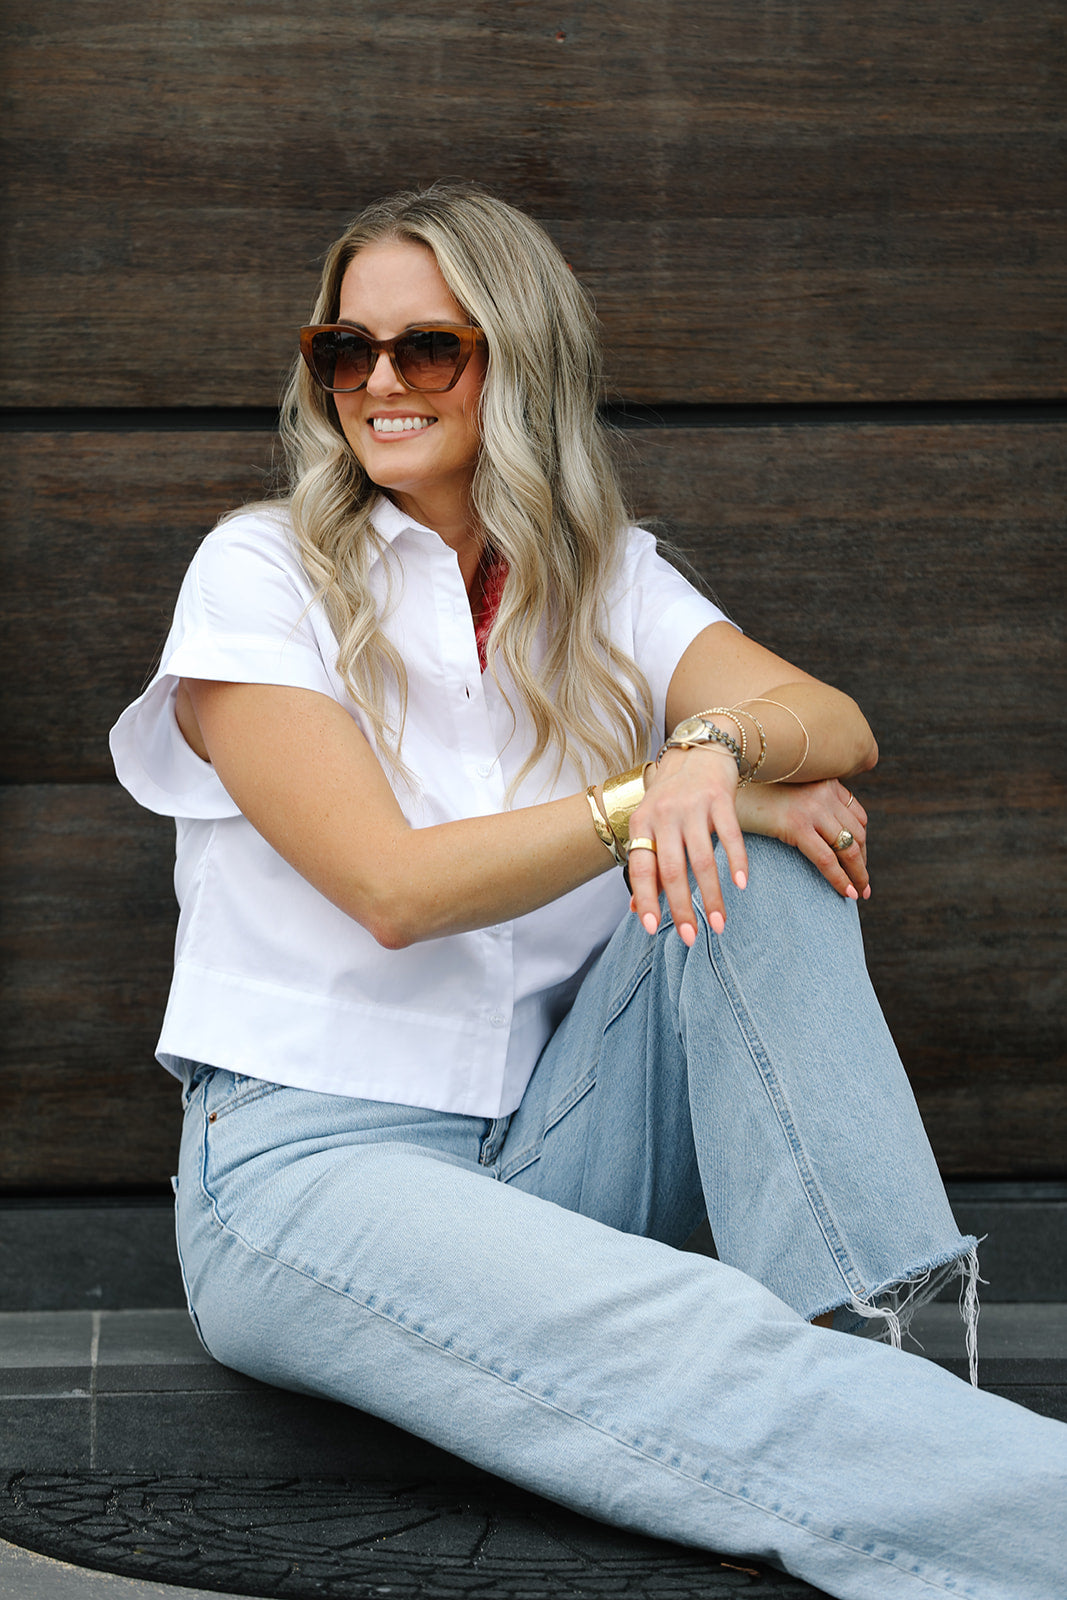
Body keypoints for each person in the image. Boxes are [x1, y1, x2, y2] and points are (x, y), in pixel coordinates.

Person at [110, 183, 1064, 1600]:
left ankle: (868, 1340)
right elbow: (391, 889)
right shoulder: (262, 571)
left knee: (764, 857)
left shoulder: (600, 577)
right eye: (345, 349)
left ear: (521, 359)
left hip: (563, 1130)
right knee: (704, 1349)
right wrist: (649, 797)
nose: (379, 382)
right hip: (311, 1166)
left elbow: (830, 722)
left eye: (428, 348)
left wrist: (713, 754)